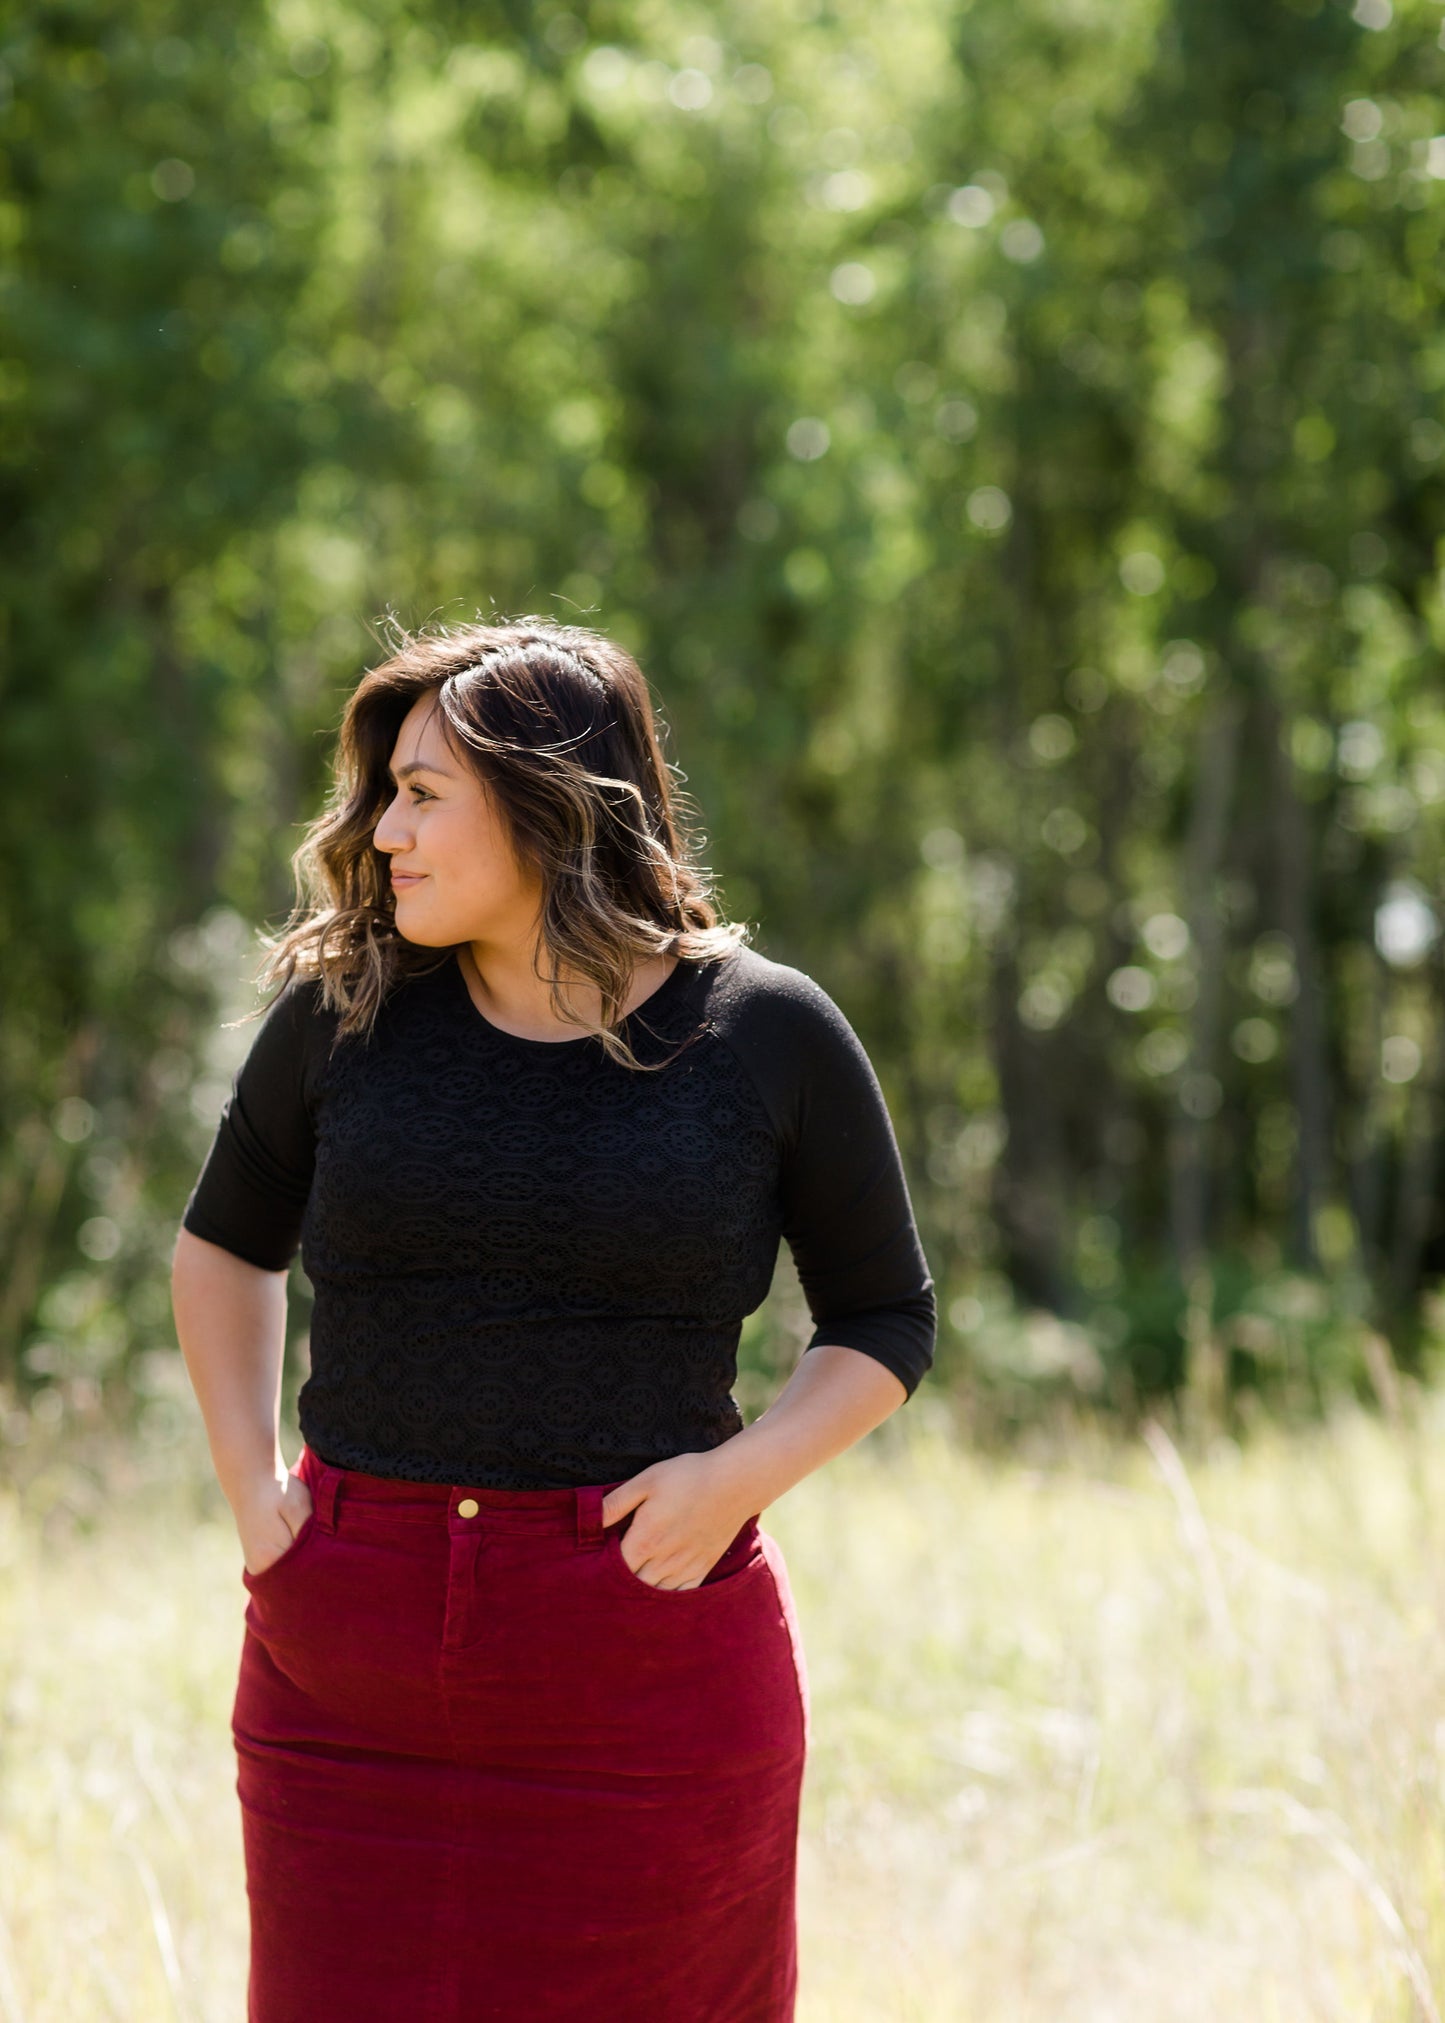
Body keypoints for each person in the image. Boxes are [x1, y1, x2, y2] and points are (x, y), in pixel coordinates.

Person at [170, 616, 936, 2023]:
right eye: (383, 791)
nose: (379, 831)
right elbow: (223, 1248)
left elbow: (883, 1319)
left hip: (641, 1665)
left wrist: (732, 1482)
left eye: (420, 792)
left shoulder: (765, 1034)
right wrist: (252, 1495)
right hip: (344, 1668)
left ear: (543, 802)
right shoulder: (343, 1016)